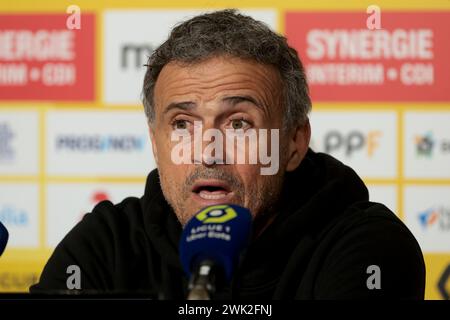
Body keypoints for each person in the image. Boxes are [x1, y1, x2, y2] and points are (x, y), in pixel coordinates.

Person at [30, 9, 425, 299]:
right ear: (155, 142)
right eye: (182, 124)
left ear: (294, 143)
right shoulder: (107, 242)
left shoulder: (367, 246)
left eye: (238, 124)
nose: (208, 152)